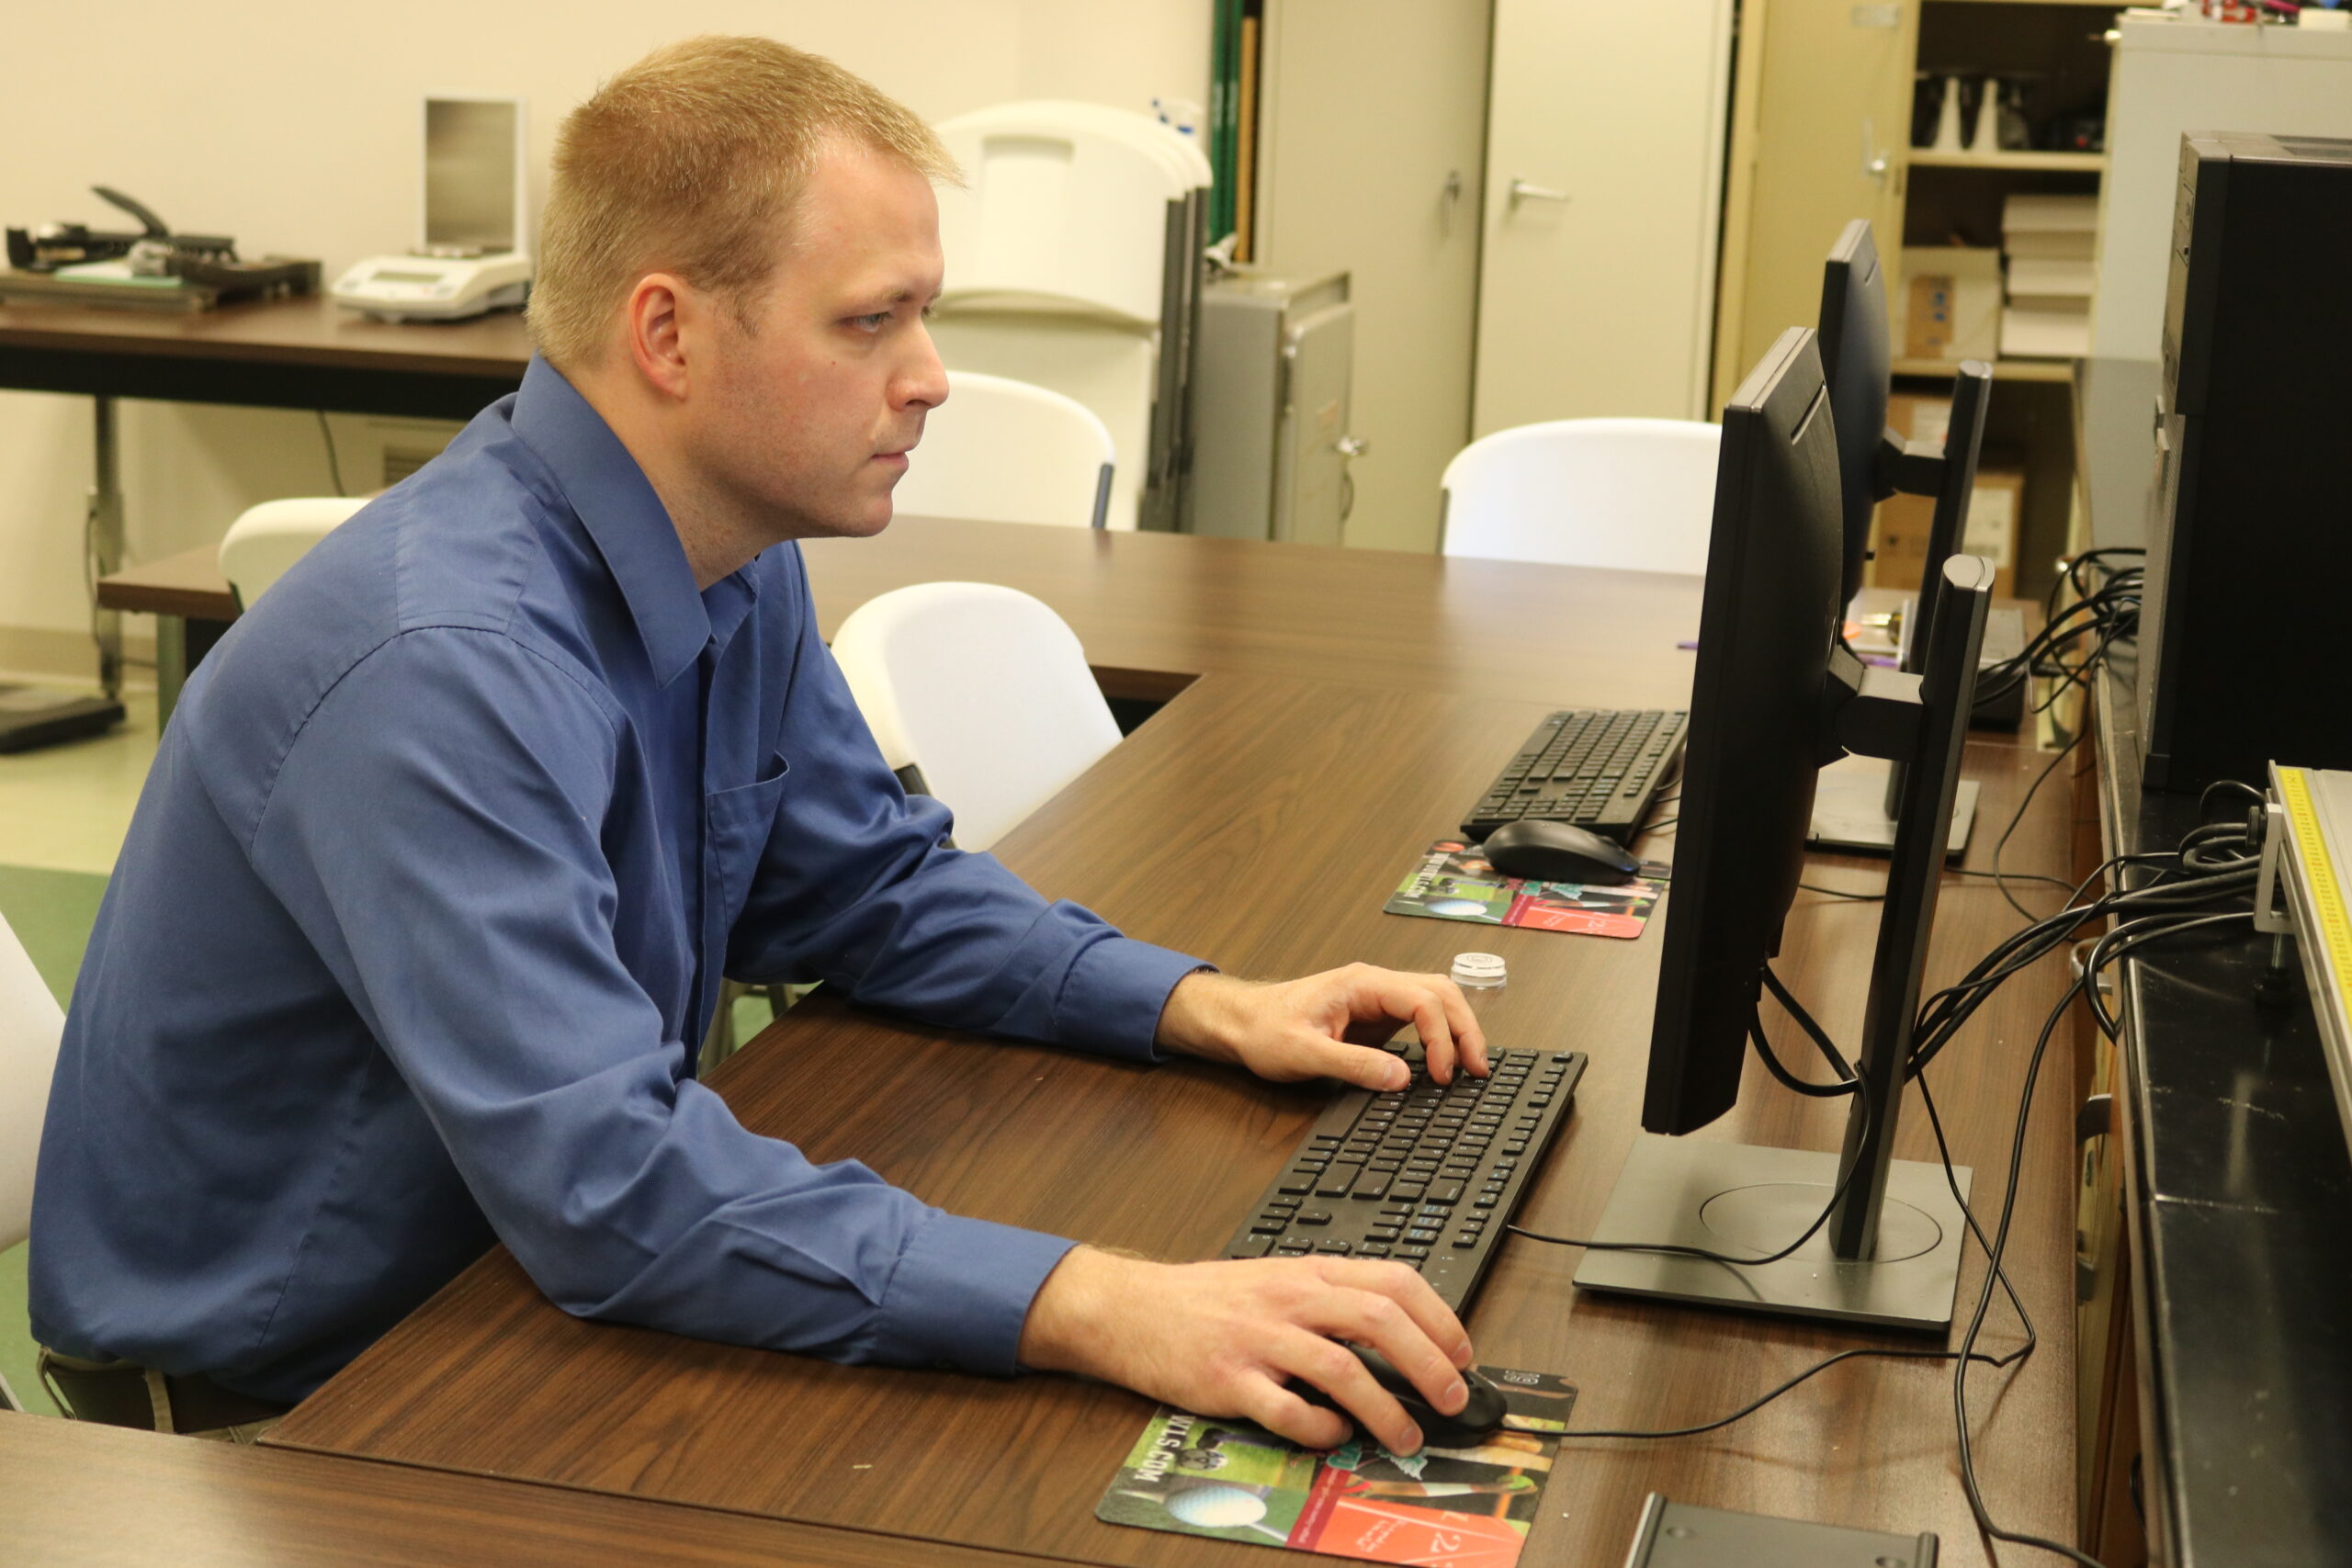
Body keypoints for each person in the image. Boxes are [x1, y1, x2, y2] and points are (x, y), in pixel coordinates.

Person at [29, 37, 1487, 1455]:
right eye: (870, 321)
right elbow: (608, 1188)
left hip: (502, 1270)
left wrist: (1210, 1009)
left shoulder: (726, 547)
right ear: (666, 333)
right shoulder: (445, 667)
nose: (929, 376)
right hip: (283, 1396)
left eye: (926, 315)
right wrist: (1104, 1303)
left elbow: (873, 892)